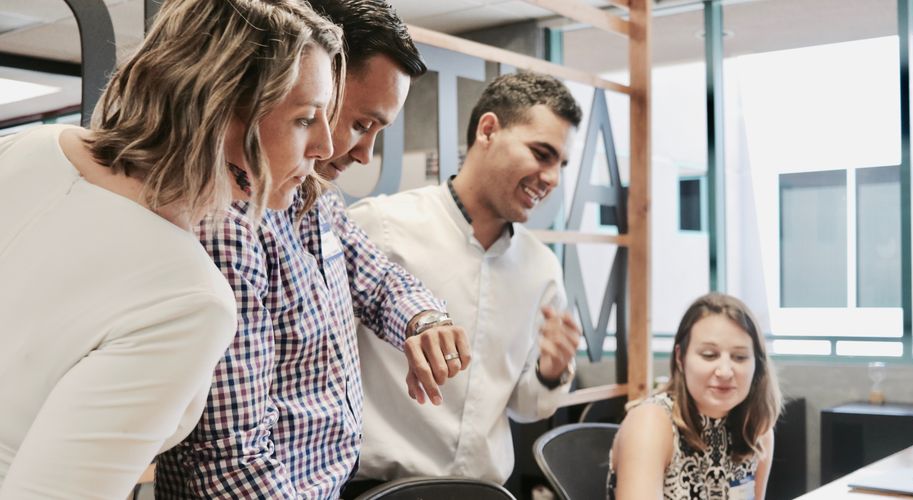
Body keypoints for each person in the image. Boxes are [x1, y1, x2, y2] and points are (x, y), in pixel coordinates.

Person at [0, 0, 344, 498]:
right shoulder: (189, 299)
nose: (326, 147)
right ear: (219, 107)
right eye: (306, 119)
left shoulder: (29, 147)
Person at [154, 1, 470, 497]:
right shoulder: (226, 223)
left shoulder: (312, 195)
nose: (362, 153)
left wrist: (424, 321)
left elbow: (379, 280)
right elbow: (233, 464)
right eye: (361, 125)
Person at [346, 72, 584, 489]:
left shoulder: (541, 268)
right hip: (378, 490)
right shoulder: (380, 227)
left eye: (561, 165)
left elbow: (526, 405)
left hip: (486, 492)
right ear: (487, 130)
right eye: (541, 154)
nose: (552, 179)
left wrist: (550, 372)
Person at [607, 293, 783, 499]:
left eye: (740, 357)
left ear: (757, 365)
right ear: (680, 358)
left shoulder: (757, 429)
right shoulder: (650, 422)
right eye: (709, 355)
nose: (725, 371)